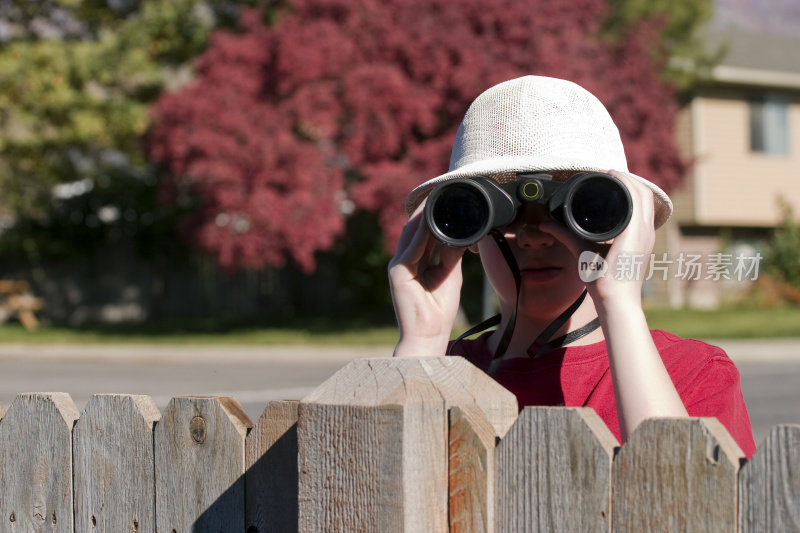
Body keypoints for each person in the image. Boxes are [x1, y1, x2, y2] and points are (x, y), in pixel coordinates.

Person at [389, 75, 756, 457]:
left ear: (620, 225)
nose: (534, 236)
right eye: (503, 213)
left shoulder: (694, 373)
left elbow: (684, 505)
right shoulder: (433, 373)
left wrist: (620, 301)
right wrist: (423, 342)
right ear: (469, 235)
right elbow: (379, 505)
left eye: (574, 210)